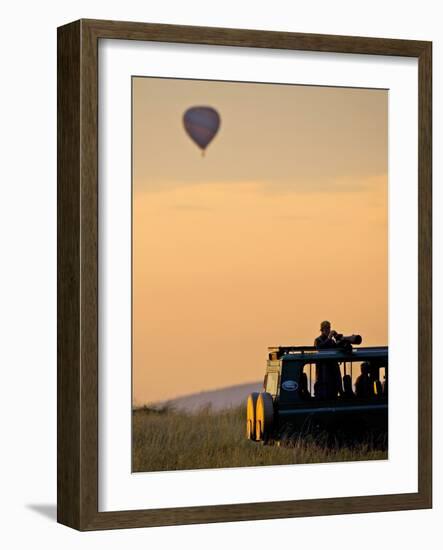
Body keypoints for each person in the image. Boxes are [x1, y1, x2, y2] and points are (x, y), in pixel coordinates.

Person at [314, 320, 343, 399]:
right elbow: (320, 348)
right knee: (325, 389)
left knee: (334, 388)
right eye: (326, 328)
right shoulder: (317, 340)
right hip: (323, 371)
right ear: (322, 329)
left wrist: (338, 339)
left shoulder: (332, 341)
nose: (328, 330)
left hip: (333, 370)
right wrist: (329, 338)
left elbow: (338, 349)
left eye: (329, 328)